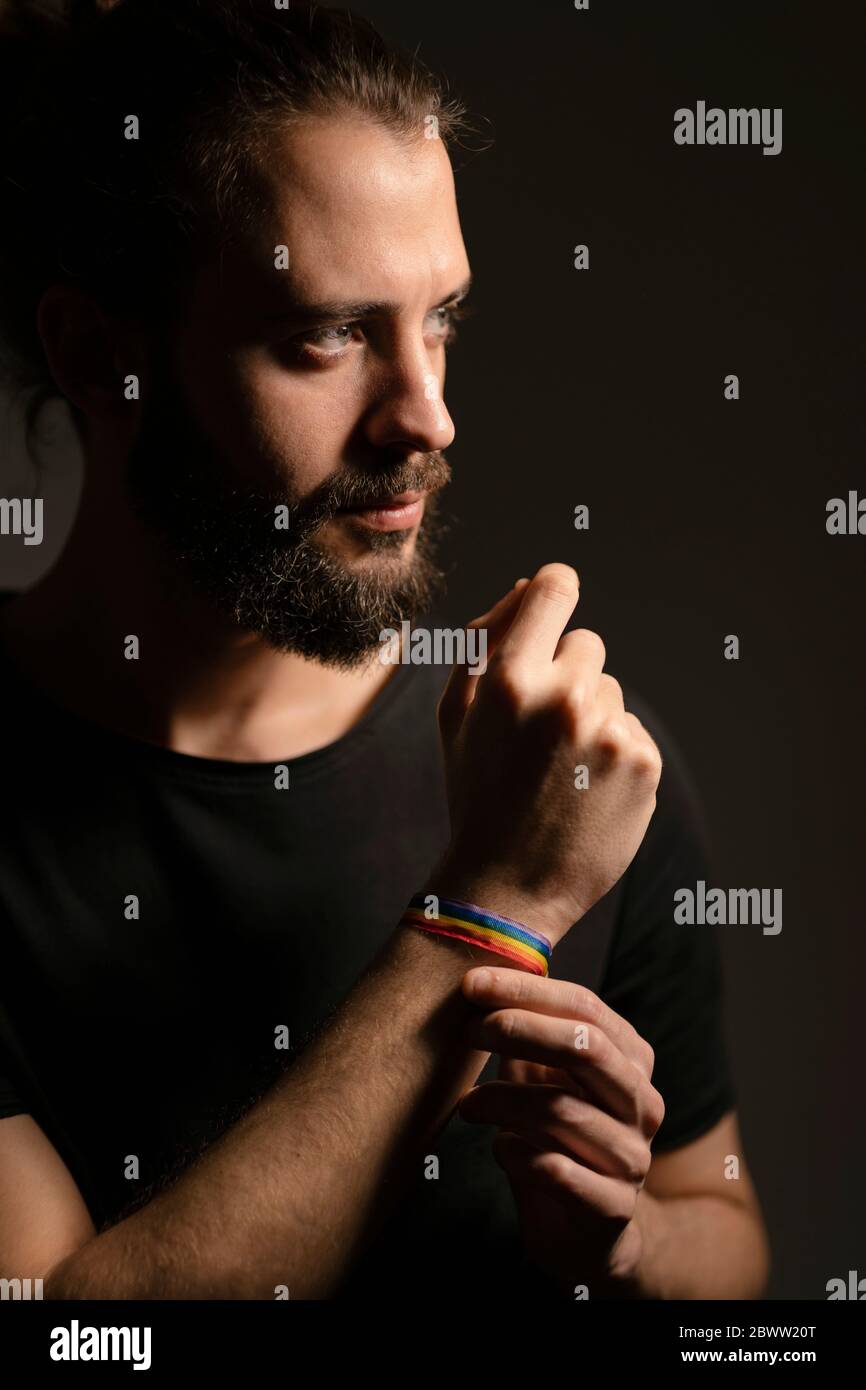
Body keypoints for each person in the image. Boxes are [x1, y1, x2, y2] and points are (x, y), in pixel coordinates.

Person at [0, 0, 769, 1300]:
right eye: (329, 336)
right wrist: (491, 913)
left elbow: (725, 1230)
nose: (428, 415)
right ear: (98, 355)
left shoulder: (557, 755)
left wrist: (622, 1240)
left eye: (442, 318)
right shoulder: (528, 826)